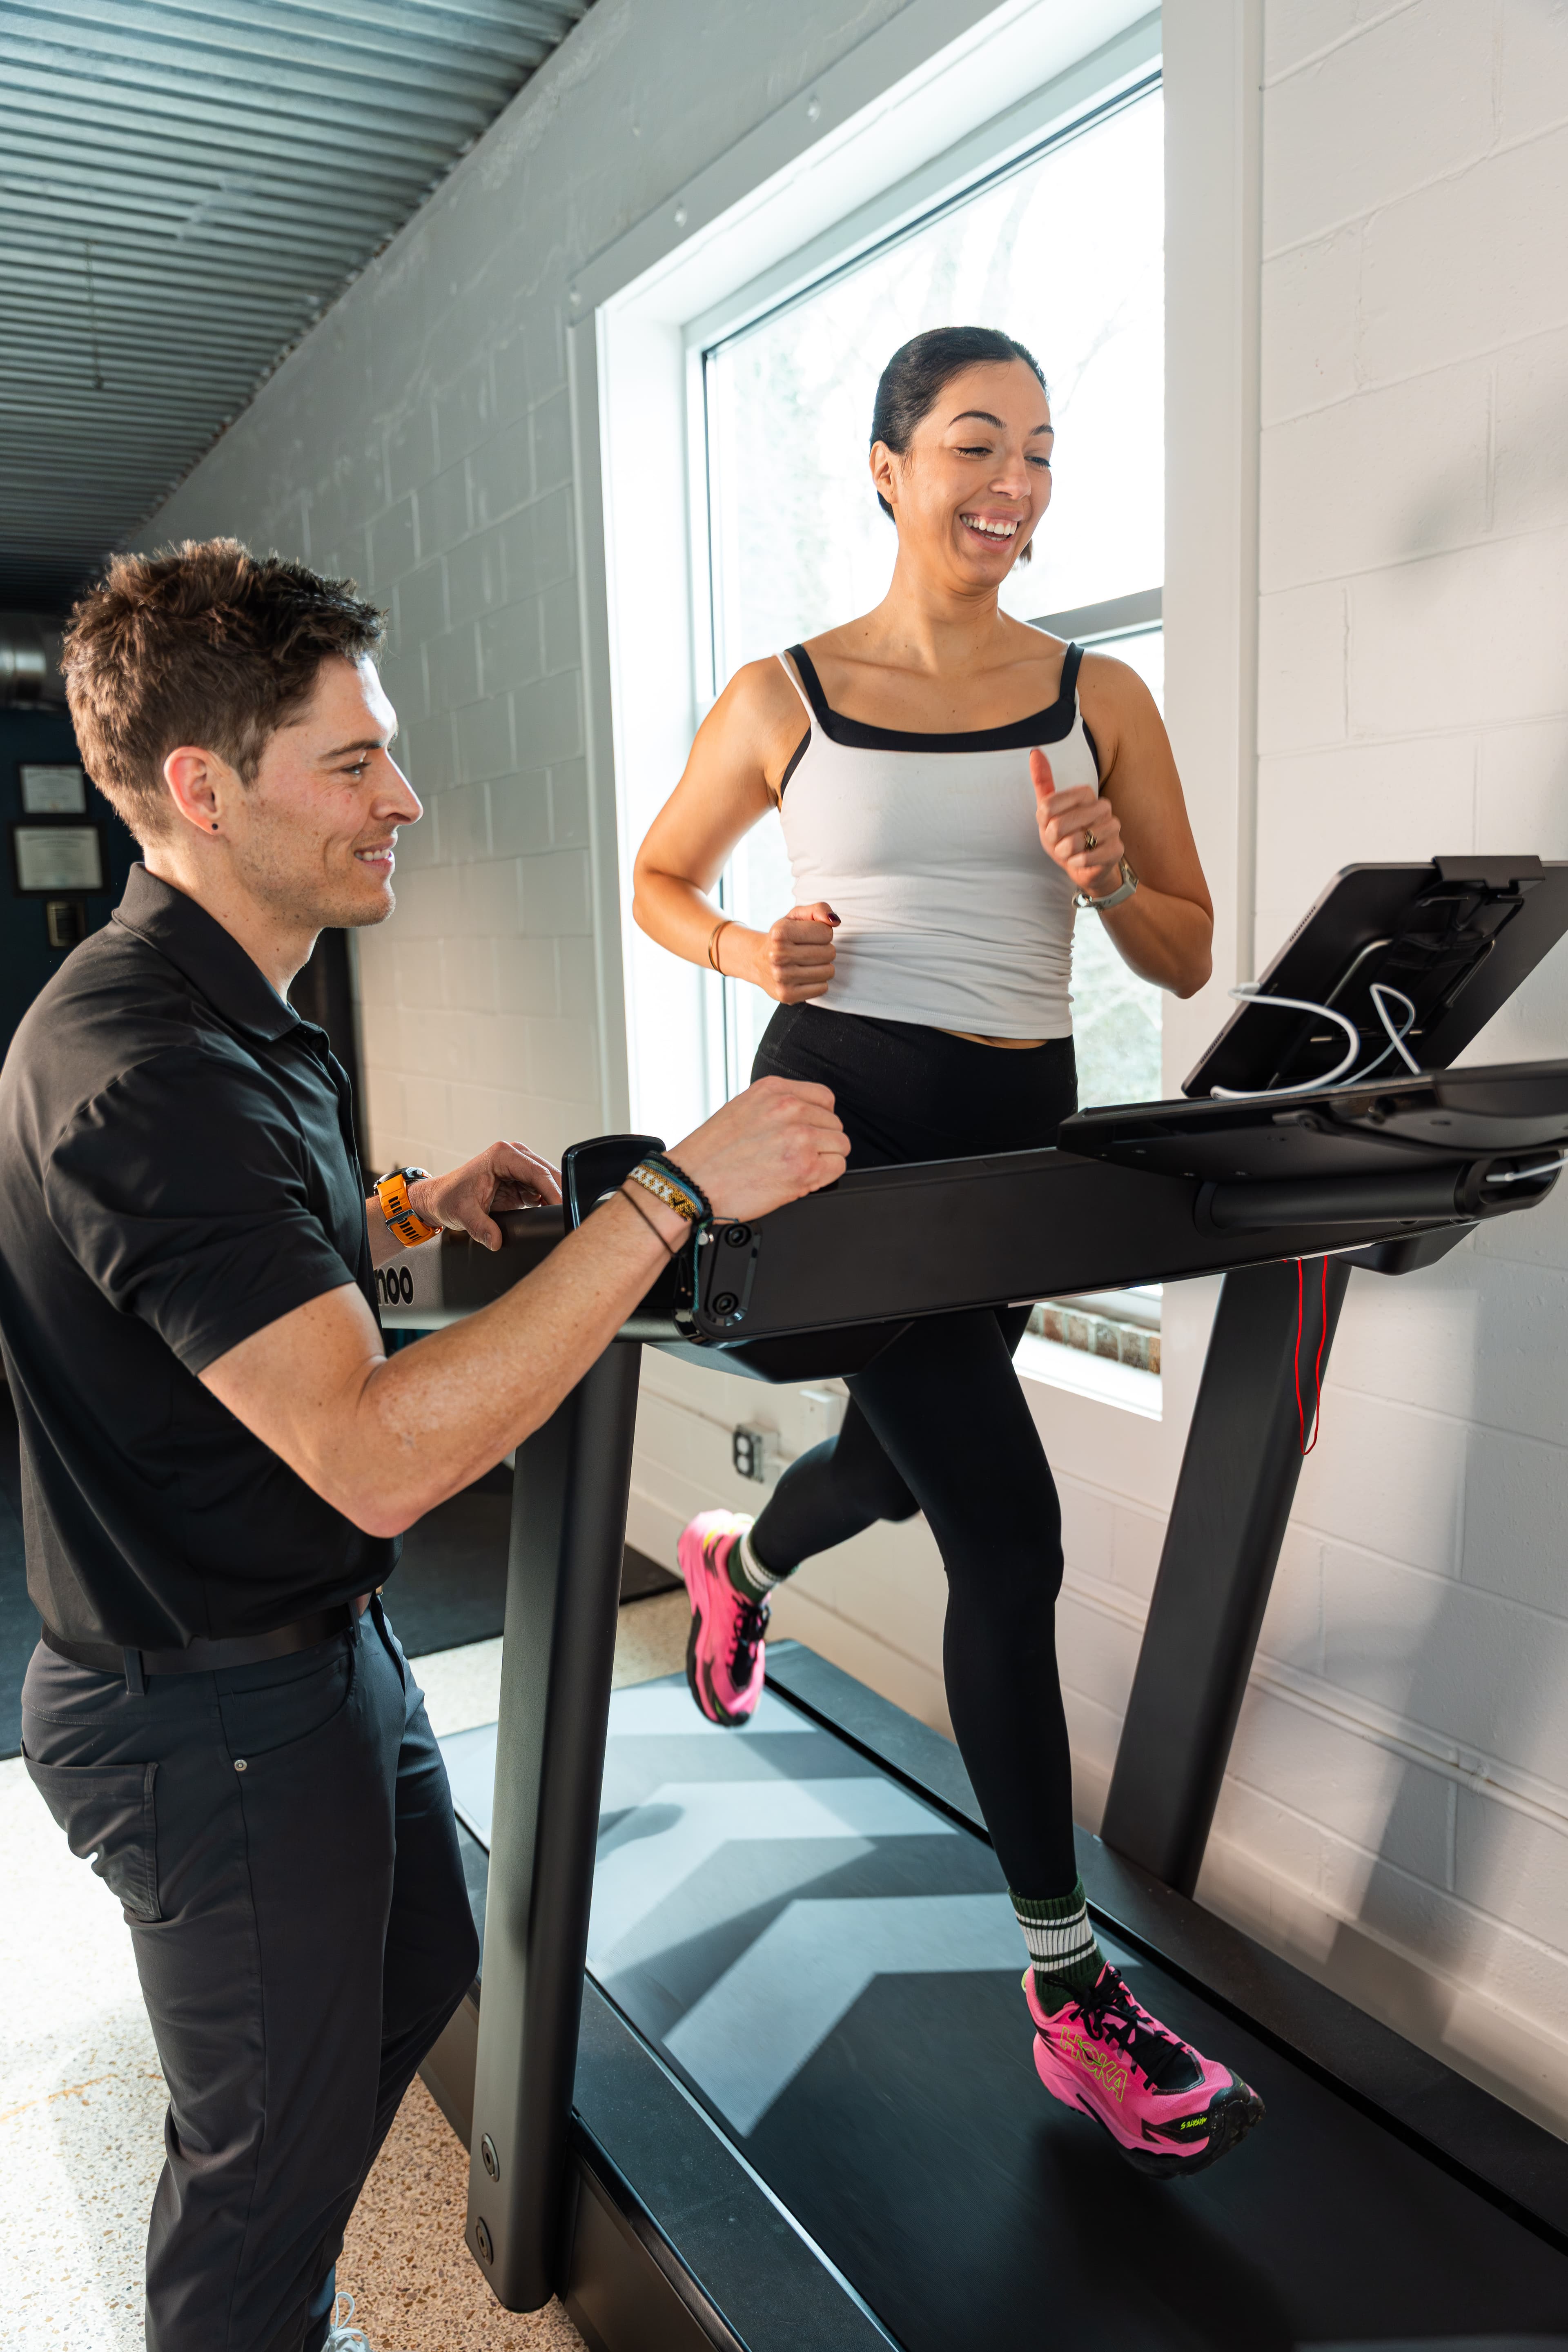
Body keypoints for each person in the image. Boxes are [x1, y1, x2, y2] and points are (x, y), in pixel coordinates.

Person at [0, 539, 847, 2352]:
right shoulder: (146, 1067)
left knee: (406, 1987)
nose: (409, 795)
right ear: (205, 792)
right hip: (203, 1712)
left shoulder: (243, 1003)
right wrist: (675, 1198)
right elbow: (380, 1458)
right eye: (353, 761)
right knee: (256, 2186)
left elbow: (260, 1253)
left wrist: (410, 1209)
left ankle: (273, 2228)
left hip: (311, 1659)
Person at [632, 325, 1263, 2178]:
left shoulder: (1098, 695)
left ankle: (738, 1559)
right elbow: (662, 877)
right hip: (840, 1139)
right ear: (893, 469)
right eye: (979, 443)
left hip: (1015, 1142)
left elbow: (1181, 954)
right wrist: (760, 956)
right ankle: (1070, 1998)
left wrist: (1102, 880)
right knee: (1011, 1528)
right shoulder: (786, 696)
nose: (1017, 483)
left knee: (904, 1480)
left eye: (1046, 453)